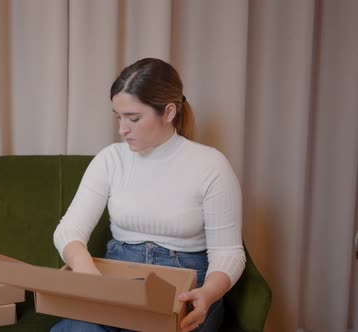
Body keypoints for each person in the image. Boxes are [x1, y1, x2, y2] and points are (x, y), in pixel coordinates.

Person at [50, 58, 246, 332]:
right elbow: (68, 231)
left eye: (133, 118)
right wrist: (92, 280)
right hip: (118, 281)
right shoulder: (111, 159)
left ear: (168, 112)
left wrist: (208, 294)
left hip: (185, 288)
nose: (122, 129)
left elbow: (229, 252)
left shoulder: (211, 165)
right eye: (119, 117)